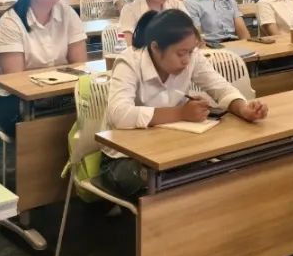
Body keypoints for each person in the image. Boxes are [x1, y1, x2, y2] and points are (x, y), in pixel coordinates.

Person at [100, 10, 268, 196]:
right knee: (167, 187)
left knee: (213, 178)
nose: (187, 60)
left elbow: (221, 88)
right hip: (125, 157)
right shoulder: (130, 62)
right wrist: (180, 113)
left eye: (191, 51)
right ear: (155, 48)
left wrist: (244, 109)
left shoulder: (191, 57)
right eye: (181, 53)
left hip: (172, 148)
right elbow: (119, 114)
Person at [0, 0, 88, 136]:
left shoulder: (68, 13)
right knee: (45, 129)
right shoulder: (10, 22)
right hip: (17, 99)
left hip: (61, 92)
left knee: (96, 107)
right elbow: (16, 81)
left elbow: (79, 65)